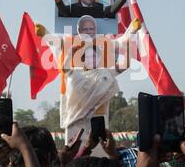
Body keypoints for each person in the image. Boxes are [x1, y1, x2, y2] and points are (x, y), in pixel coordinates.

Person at [36, 14, 142, 144]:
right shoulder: (75, 75)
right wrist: (45, 34)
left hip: (98, 118)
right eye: (85, 29)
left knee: (99, 155)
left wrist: (132, 30)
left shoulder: (105, 72)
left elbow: (124, 58)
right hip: (76, 121)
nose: (92, 59)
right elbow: (62, 62)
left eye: (91, 29)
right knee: (75, 154)